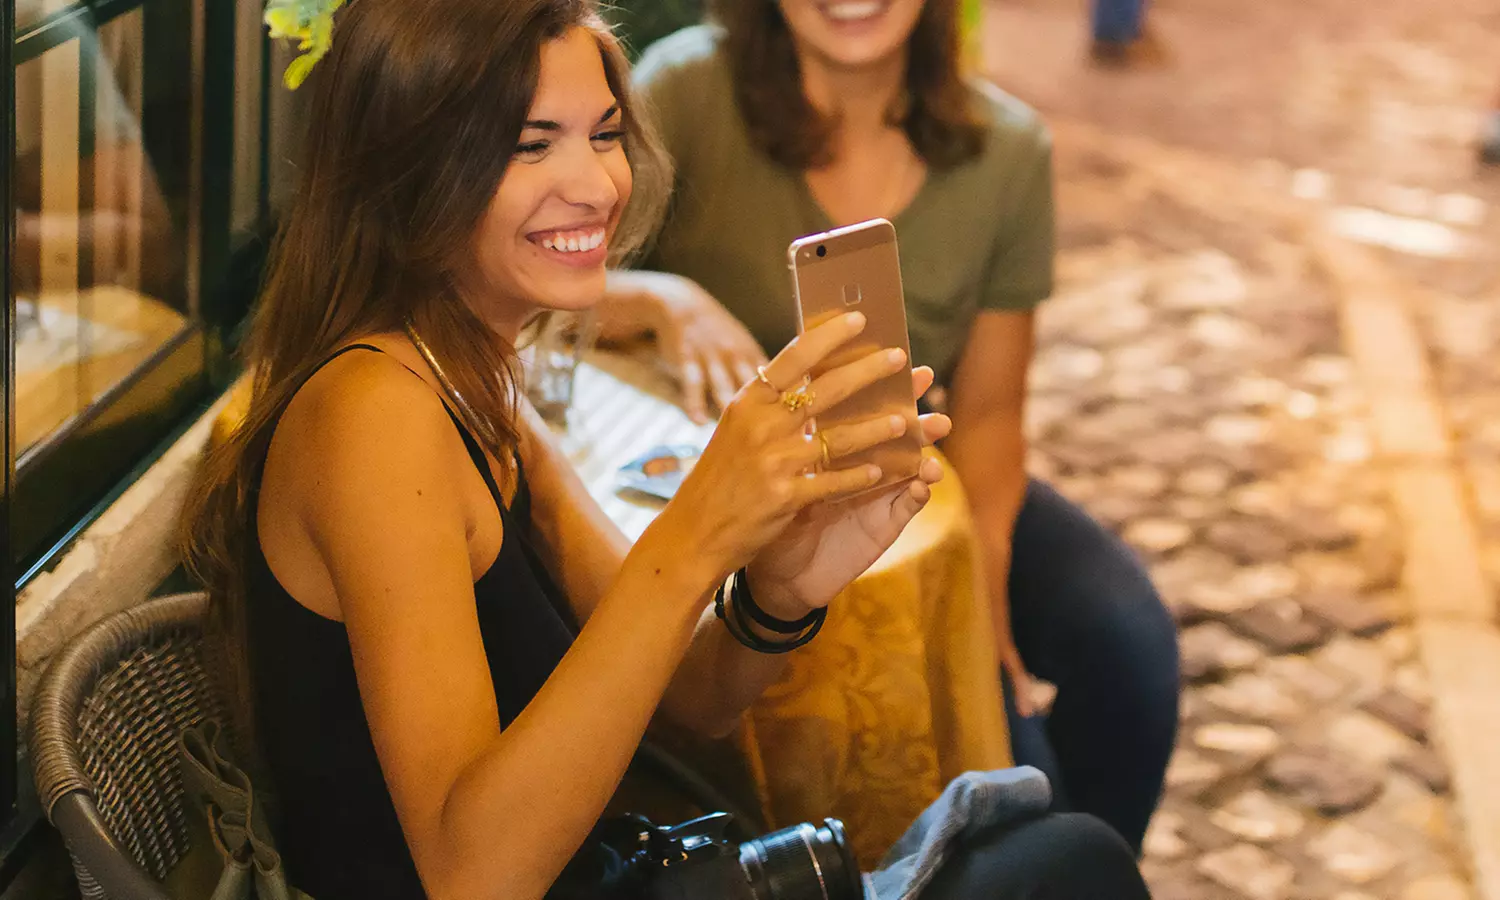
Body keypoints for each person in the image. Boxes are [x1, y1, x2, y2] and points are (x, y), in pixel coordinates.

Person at [184, 1, 1150, 898]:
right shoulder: (372, 414)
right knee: (1067, 860)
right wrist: (696, 527)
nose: (595, 183)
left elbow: (690, 698)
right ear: (408, 171)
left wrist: (780, 588)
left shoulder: (471, 384)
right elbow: (473, 874)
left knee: (1064, 842)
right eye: (531, 146)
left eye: (605, 135)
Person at [603, 0, 1181, 854]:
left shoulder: (1008, 149)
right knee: (1023, 786)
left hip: (906, 486)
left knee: (1130, 655)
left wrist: (982, 605)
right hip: (720, 495)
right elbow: (552, 285)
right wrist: (663, 296)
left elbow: (987, 419)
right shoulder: (686, 91)